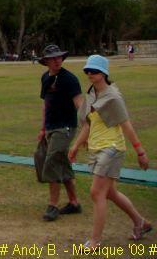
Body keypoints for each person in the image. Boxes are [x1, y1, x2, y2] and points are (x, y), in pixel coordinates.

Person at [68, 55, 151, 250]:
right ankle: (141, 223)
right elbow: (89, 125)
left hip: (112, 148)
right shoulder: (92, 94)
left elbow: (126, 124)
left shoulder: (113, 97)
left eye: (94, 71)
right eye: (87, 71)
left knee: (97, 193)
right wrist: (74, 146)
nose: (90, 74)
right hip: (96, 148)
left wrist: (140, 151)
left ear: (104, 73)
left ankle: (95, 240)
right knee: (110, 193)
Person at [36, 44, 83, 222]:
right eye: (53, 58)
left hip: (66, 128)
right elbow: (45, 104)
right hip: (51, 127)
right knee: (61, 163)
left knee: (52, 161)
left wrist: (87, 127)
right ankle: (74, 202)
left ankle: (53, 205)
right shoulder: (45, 78)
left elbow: (79, 103)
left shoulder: (69, 79)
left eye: (59, 57)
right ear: (46, 61)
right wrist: (42, 128)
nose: (57, 61)